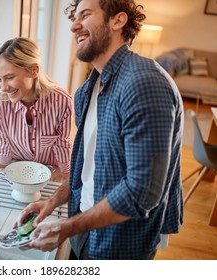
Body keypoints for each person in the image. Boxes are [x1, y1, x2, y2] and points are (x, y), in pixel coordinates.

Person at [16, 0, 184, 260]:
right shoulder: (87, 90)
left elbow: (142, 193)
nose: (74, 26)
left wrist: (67, 227)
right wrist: (51, 203)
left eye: (85, 15)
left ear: (117, 21)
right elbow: (88, 169)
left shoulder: (144, 83)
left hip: (121, 242)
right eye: (74, 17)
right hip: (84, 226)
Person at [0, 37, 73, 175]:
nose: (3, 87)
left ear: (33, 70)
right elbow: (3, 138)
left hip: (48, 170)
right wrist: (3, 161)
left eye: (10, 77)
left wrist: (66, 173)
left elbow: (62, 143)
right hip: (17, 168)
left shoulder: (62, 101)